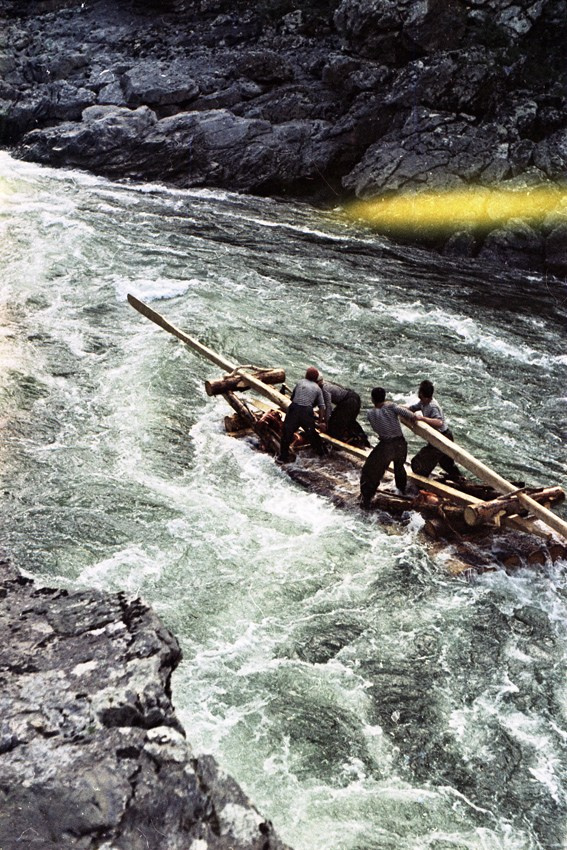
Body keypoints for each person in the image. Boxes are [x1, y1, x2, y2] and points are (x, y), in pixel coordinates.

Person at [360, 387, 418, 507]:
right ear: (384, 397)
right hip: (400, 444)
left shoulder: (370, 414)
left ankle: (367, 498)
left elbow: (376, 429)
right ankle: (402, 492)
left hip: (386, 445)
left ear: (372, 399)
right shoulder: (391, 406)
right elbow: (411, 415)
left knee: (371, 470)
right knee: (399, 467)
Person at [407, 380, 461, 480]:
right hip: (437, 437)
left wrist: (423, 418)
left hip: (443, 437)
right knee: (446, 462)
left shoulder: (432, 406)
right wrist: (399, 409)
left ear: (426, 396)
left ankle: (460, 480)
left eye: (422, 397)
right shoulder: (423, 403)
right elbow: (412, 408)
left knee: (420, 463)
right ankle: (458, 478)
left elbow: (439, 422)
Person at [277, 367, 327, 463]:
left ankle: (282, 457)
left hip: (294, 409)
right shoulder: (317, 389)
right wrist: (321, 422)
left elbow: (292, 398)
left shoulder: (300, 382)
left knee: (287, 433)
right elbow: (322, 407)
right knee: (311, 433)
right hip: (306, 412)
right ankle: (321, 454)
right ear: (316, 378)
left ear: (306, 375)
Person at [317, 377, 371, 447]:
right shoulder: (327, 384)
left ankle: (338, 443)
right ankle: (363, 438)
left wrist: (326, 423)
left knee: (334, 424)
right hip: (354, 398)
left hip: (349, 401)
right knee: (349, 421)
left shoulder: (325, 390)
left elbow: (328, 408)